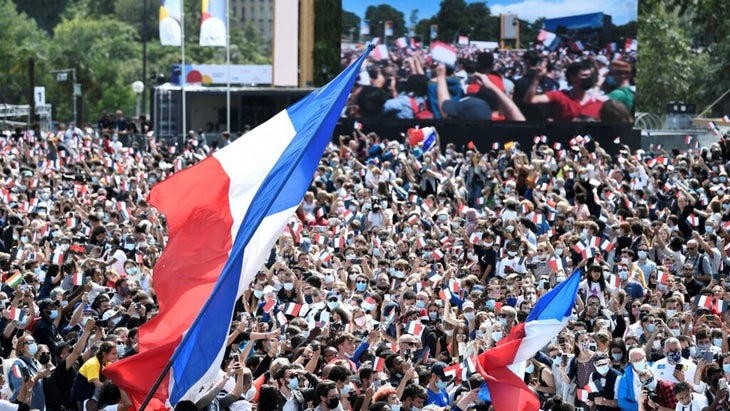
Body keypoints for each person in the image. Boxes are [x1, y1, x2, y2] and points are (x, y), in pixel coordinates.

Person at [523, 59, 606, 121]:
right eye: (584, 75)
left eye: (590, 76)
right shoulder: (560, 96)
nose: (588, 79)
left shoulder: (598, 103)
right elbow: (530, 100)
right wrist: (537, 77)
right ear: (572, 77)